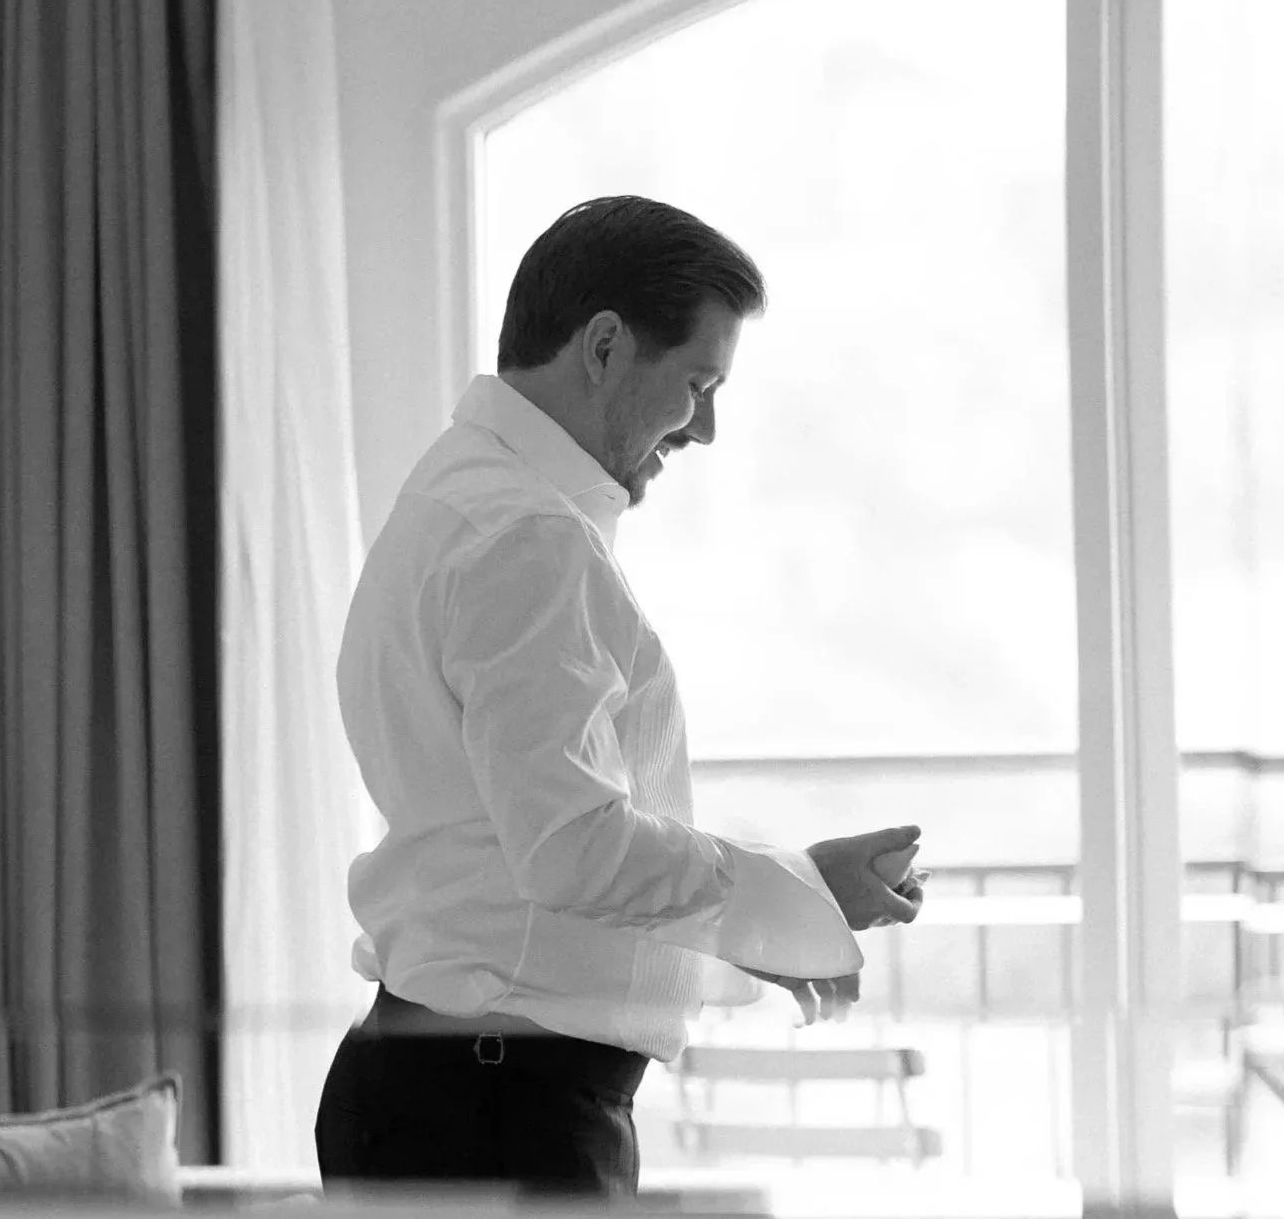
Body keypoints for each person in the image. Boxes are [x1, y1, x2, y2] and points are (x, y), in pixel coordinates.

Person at [315, 195, 925, 1202]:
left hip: (462, 1089)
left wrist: (772, 914)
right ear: (603, 346)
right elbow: (573, 849)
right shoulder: (526, 535)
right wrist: (796, 890)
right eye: (697, 383)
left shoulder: (460, 494)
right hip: (499, 1110)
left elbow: (516, 857)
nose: (707, 428)